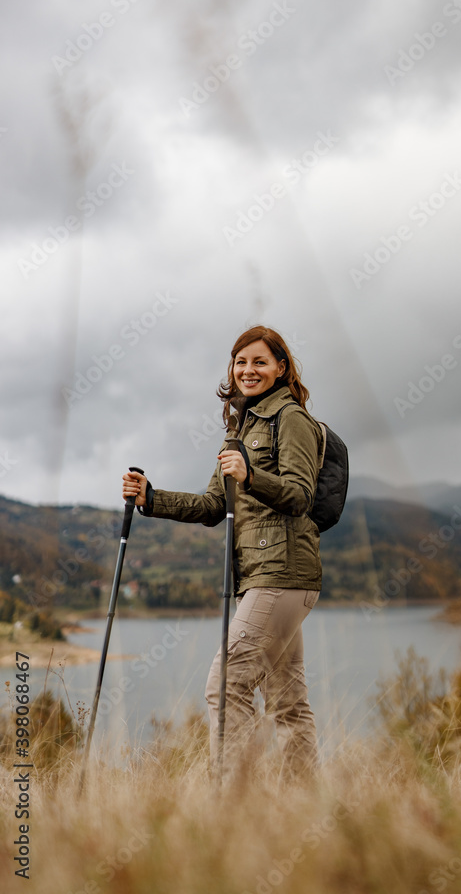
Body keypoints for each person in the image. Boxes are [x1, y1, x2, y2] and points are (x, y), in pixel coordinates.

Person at [121, 325, 324, 781]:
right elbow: (214, 506)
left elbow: (300, 495)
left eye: (259, 361)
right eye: (240, 362)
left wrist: (251, 476)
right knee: (289, 704)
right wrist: (151, 498)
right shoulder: (240, 428)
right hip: (263, 578)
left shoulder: (291, 418)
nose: (248, 370)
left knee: (226, 684)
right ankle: (306, 809)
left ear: (281, 368)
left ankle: (233, 806)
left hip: (281, 574)